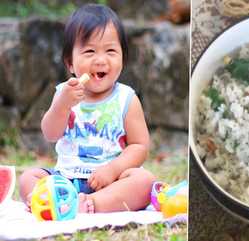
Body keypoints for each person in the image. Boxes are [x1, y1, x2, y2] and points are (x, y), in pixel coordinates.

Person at [19, 4, 155, 213]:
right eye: (90, 51)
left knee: (144, 181)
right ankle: (53, 201)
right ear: (70, 63)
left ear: (123, 59)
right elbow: (50, 134)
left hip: (111, 181)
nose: (100, 60)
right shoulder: (65, 93)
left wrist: (112, 170)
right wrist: (61, 105)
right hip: (66, 179)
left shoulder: (126, 98)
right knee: (28, 178)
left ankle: (94, 203)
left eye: (110, 51)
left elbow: (139, 146)